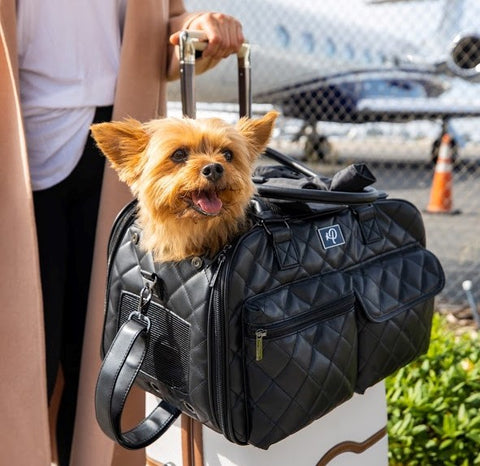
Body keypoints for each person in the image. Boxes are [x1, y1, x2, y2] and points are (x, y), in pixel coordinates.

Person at [1, 1, 243, 464]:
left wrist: (198, 28)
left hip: (121, 146)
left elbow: (166, 36)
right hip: (13, 143)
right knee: (19, 358)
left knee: (107, 355)